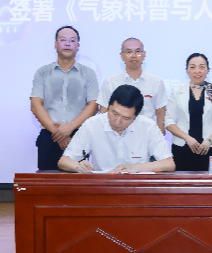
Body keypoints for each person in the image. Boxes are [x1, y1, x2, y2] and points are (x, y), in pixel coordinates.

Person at [58, 84, 175, 174]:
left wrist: (135, 167)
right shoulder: (92, 125)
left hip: (136, 188)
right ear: (108, 106)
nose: (117, 122)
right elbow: (64, 161)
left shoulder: (148, 126)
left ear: (136, 116)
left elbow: (169, 164)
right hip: (102, 187)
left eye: (126, 118)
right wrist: (78, 167)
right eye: (114, 113)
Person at [30, 25, 99, 171]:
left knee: (80, 178)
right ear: (55, 44)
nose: (67, 43)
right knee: (46, 180)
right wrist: (58, 133)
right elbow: (36, 105)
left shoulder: (88, 73)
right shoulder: (42, 72)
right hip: (49, 135)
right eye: (63, 40)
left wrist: (70, 127)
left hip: (78, 136)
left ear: (78, 46)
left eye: (72, 40)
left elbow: (93, 106)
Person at [165, 53, 212, 172]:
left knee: (211, 183)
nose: (197, 71)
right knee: (181, 183)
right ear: (187, 70)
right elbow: (169, 122)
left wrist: (209, 140)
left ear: (208, 70)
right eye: (192, 67)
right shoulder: (177, 92)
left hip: (209, 147)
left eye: (202, 67)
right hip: (182, 148)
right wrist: (187, 138)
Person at [98, 37, 168, 134]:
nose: (133, 55)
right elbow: (103, 113)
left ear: (144, 54)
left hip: (147, 136)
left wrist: (160, 138)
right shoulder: (110, 82)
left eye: (137, 51)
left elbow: (160, 114)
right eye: (129, 52)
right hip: (117, 136)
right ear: (122, 56)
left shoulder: (156, 82)